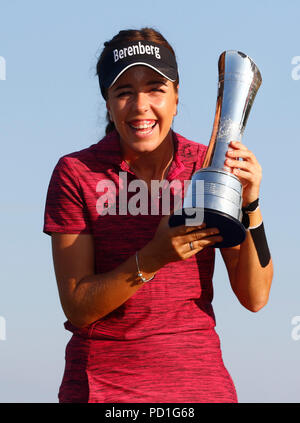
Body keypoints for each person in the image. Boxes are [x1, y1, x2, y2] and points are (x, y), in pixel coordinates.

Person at [43, 27, 273, 403]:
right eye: (123, 92)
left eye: (155, 88)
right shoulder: (77, 173)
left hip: (202, 390)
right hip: (106, 391)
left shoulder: (205, 165)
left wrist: (250, 202)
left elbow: (255, 296)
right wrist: (153, 257)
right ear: (107, 102)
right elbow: (79, 306)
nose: (140, 106)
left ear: (177, 96)